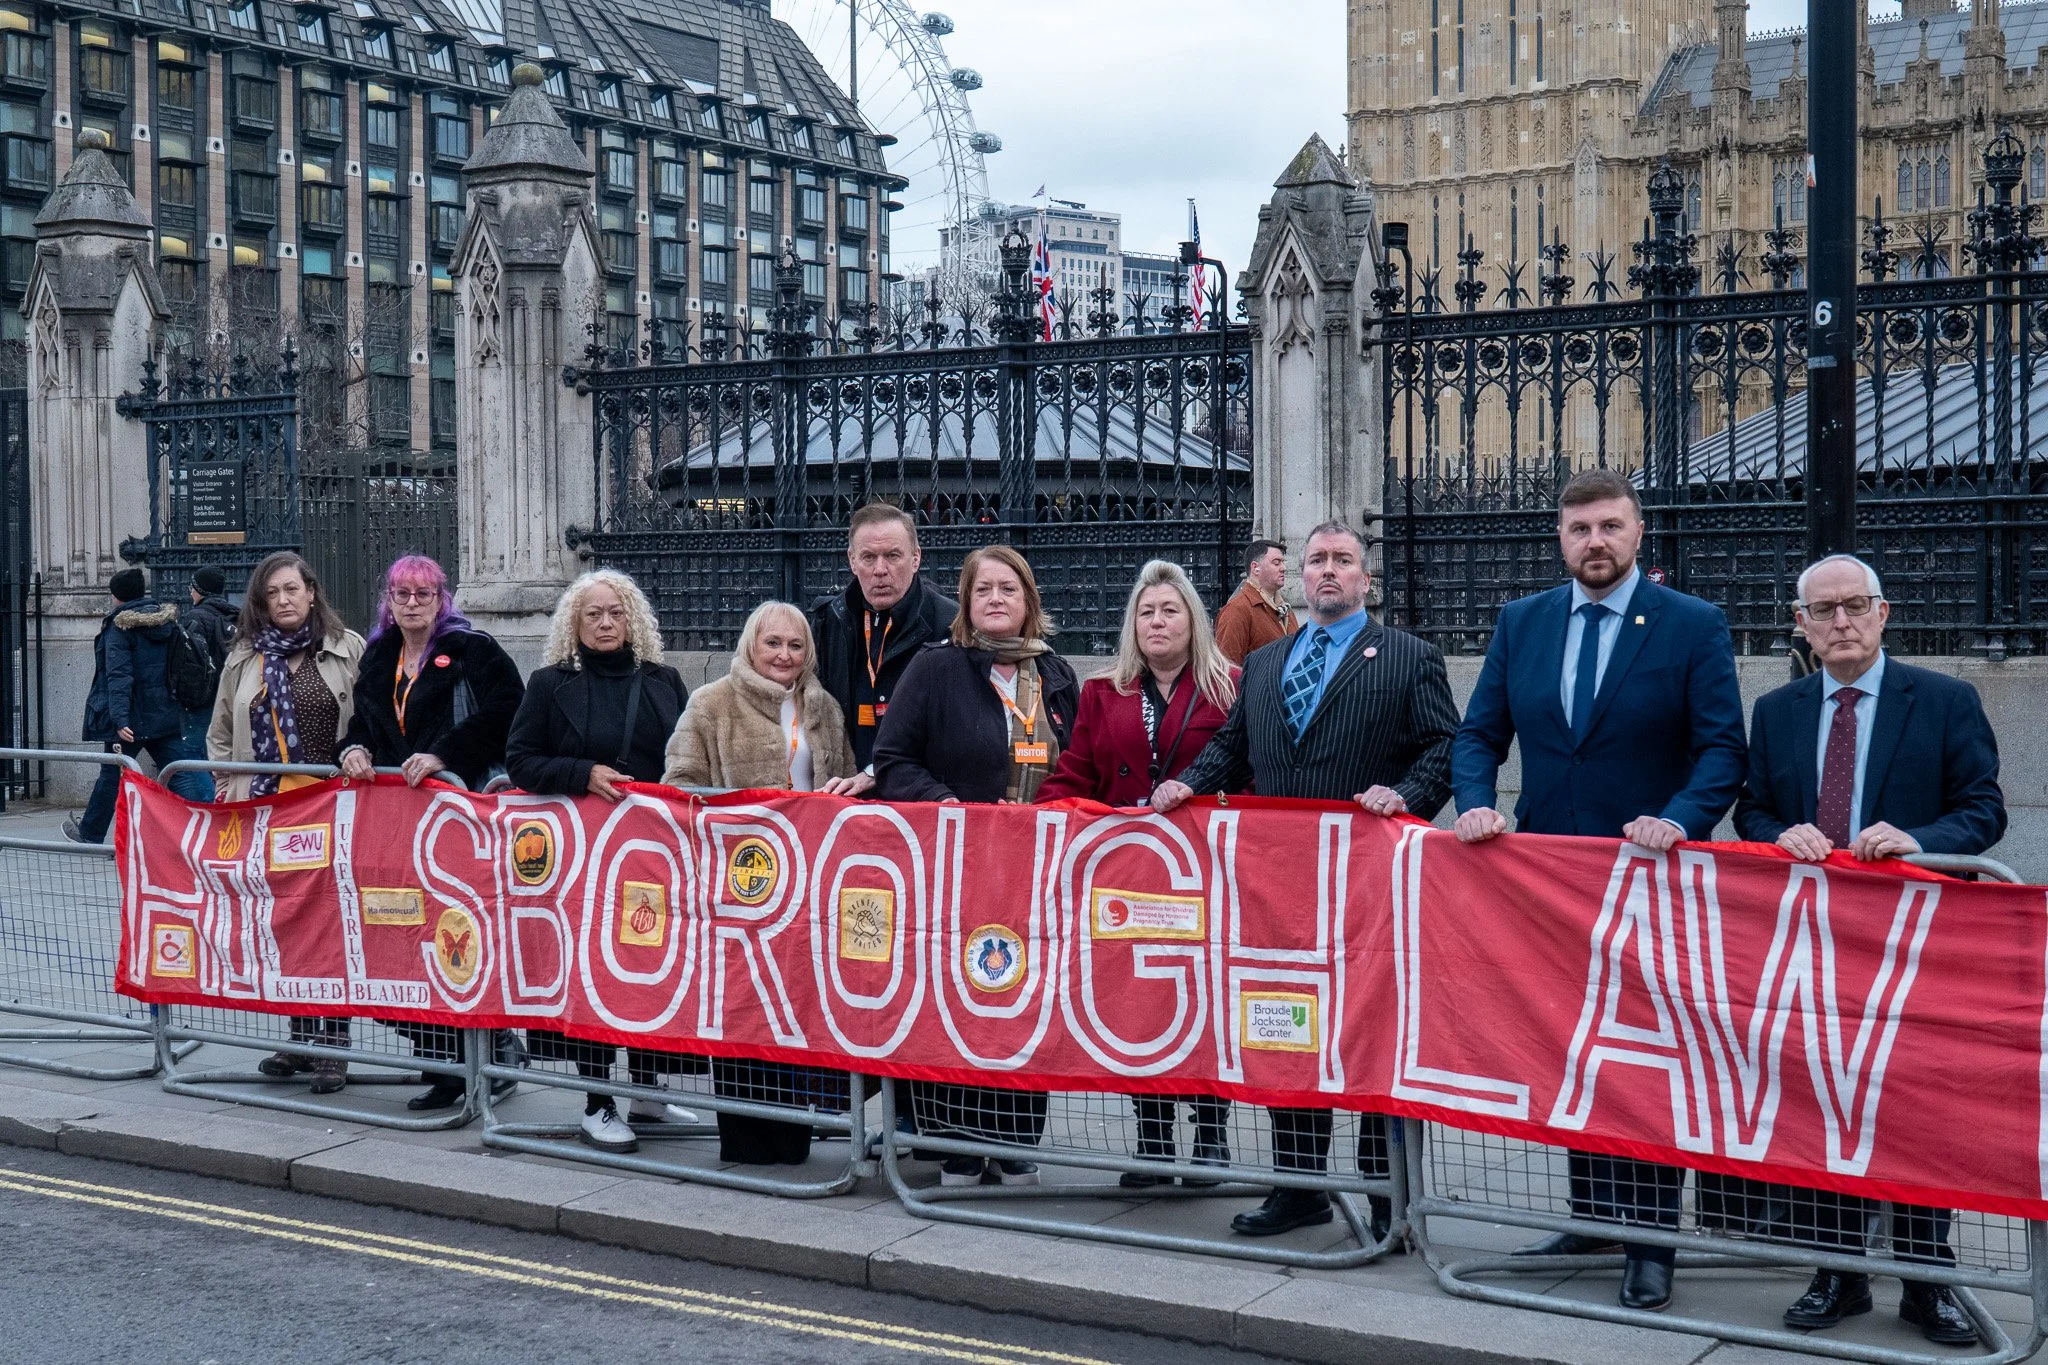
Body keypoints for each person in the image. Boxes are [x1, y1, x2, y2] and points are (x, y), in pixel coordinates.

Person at [1451, 468, 1748, 1314]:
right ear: (1560, 536)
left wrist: (1681, 818)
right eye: (1580, 528)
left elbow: (1723, 749)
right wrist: (1476, 803)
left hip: (1652, 880)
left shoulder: (1692, 625)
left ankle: (1652, 1241)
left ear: (1639, 530)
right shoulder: (1524, 621)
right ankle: (1592, 1213)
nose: (1595, 542)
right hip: (1547, 885)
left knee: (1646, 1060)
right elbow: (1480, 734)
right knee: (1573, 1046)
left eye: (1610, 526)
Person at [1155, 522, 1458, 1243]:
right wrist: (1184, 786)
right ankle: (1298, 1187)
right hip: (1282, 889)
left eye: (1342, 561)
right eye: (1316, 560)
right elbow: (1230, 751)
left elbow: (1446, 745)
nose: (1328, 571)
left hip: (1372, 886)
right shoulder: (1264, 663)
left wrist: (1405, 794)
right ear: (1298, 576)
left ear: (1365, 577)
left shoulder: (1410, 658)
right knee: (1287, 1028)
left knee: (1376, 1038)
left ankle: (1391, 1199)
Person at [1733, 554, 2000, 1347]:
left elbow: (1983, 808)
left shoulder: (1947, 700)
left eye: (1856, 605)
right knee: (1819, 1097)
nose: (1841, 621)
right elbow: (1753, 808)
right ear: (1801, 624)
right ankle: (1837, 1270)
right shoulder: (1777, 710)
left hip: (1911, 943)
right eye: (1825, 610)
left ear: (1884, 614)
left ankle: (1928, 1277)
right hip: (1811, 941)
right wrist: (1778, 831)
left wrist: (1920, 841)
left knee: (1913, 1100)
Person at [874, 544, 1078, 1186]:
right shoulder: (934, 669)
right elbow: (893, 760)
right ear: (965, 603)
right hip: (954, 869)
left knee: (1025, 993)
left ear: (1029, 602)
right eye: (983, 589)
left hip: (1034, 871)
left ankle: (1016, 1137)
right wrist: (949, 805)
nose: (996, 599)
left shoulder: (1057, 675)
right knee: (959, 995)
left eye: (1008, 589)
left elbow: (1079, 762)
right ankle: (956, 1138)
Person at [1039, 559, 1239, 1187]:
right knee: (1137, 1000)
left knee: (1202, 999)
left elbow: (1250, 771)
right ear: (1133, 624)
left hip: (1202, 873)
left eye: (1170, 610)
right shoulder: (1104, 692)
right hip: (1125, 875)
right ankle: (1152, 1139)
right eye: (1146, 612)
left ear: (1193, 621)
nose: (1157, 622)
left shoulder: (1230, 686)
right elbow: (1076, 772)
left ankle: (1211, 1138)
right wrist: (1038, 817)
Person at [505, 569, 697, 1154]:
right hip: (581, 859)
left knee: (651, 964)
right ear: (575, 623)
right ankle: (597, 1101)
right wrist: (580, 774)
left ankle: (647, 1089)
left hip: (653, 855)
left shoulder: (665, 681)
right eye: (594, 614)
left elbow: (687, 759)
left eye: (616, 612)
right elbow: (519, 759)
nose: (606, 622)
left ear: (632, 617)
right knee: (591, 974)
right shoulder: (547, 683)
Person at [664, 600, 858, 1164]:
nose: (784, 655)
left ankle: (792, 1134)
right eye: (773, 643)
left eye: (796, 646)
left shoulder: (823, 707)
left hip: (806, 889)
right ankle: (746, 1141)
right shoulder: (711, 703)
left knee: (794, 1007)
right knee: (742, 1008)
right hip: (737, 887)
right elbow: (680, 786)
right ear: (751, 645)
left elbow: (842, 780)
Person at [337, 555, 529, 1112]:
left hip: (459, 819)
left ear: (442, 598)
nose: (413, 602)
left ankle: (489, 1054)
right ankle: (443, 1061)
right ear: (388, 600)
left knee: (456, 936)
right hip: (397, 825)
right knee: (399, 941)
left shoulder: (474, 650)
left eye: (424, 593)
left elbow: (507, 712)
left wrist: (444, 752)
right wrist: (351, 750)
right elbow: (362, 726)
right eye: (402, 592)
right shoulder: (377, 655)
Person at [210, 552, 366, 1094]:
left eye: (292, 589)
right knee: (286, 925)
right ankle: (300, 1037)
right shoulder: (243, 658)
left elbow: (367, 723)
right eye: (272, 593)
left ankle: (334, 1047)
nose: (283, 600)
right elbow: (221, 733)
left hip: (334, 809)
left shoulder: (348, 651)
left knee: (336, 923)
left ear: (312, 592)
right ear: (261, 602)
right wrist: (224, 791)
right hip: (269, 812)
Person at [810, 502, 958, 778]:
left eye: (892, 556)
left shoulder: (950, 624)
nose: (880, 569)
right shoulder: (829, 620)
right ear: (852, 561)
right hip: (844, 793)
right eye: (868, 557)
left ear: (915, 558)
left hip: (919, 793)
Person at [67, 568, 212, 843]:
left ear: (117, 597)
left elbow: (119, 676)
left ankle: (90, 833)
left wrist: (119, 718)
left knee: (111, 775)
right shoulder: (166, 623)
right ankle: (199, 830)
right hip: (163, 712)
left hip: (131, 718)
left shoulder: (120, 627)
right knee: (179, 773)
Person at [1212, 539, 1297, 665]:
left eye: (1283, 562)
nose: (1283, 568)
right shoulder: (1236, 610)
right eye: (1276, 563)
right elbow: (1227, 670)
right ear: (1255, 568)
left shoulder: (1285, 609)